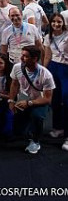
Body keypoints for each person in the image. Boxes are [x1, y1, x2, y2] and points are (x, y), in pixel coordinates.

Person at [8, 46, 55, 154]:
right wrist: (11, 101)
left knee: (37, 116)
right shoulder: (17, 67)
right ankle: (27, 128)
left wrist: (29, 103)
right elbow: (14, 84)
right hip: (23, 99)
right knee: (17, 131)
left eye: (25, 56)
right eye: (22, 55)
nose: (21, 58)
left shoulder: (46, 75)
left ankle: (35, 141)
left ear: (34, 59)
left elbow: (48, 99)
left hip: (39, 101)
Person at [43, 13, 68, 150]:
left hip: (66, 69)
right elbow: (47, 56)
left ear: (63, 23)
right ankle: (58, 127)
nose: (56, 24)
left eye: (59, 22)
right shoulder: (48, 37)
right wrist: (43, 74)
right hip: (53, 68)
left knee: (67, 99)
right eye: (53, 22)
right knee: (55, 100)